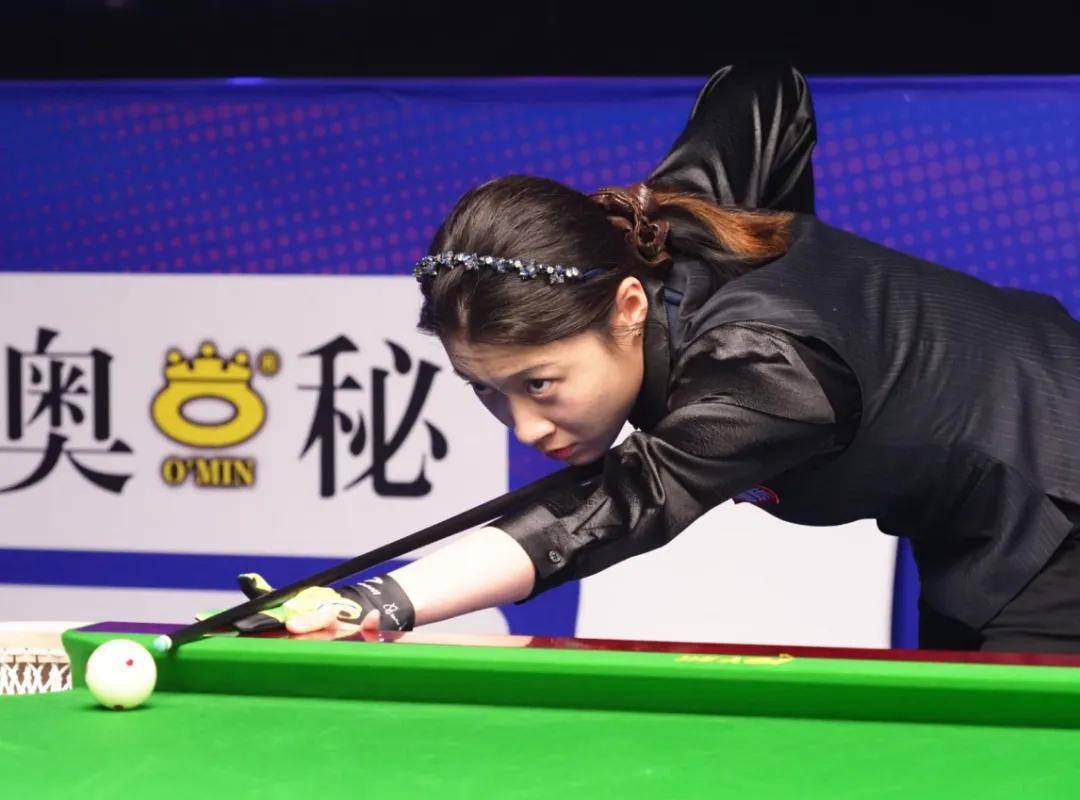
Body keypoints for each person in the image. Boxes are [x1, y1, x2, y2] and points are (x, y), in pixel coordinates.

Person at [242, 64, 1080, 653]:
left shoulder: (765, 369)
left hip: (1059, 494)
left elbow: (612, 507)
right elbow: (763, 89)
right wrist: (780, 248)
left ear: (629, 308)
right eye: (487, 392)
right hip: (982, 524)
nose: (525, 427)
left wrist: (380, 602)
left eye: (540, 384)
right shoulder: (664, 226)